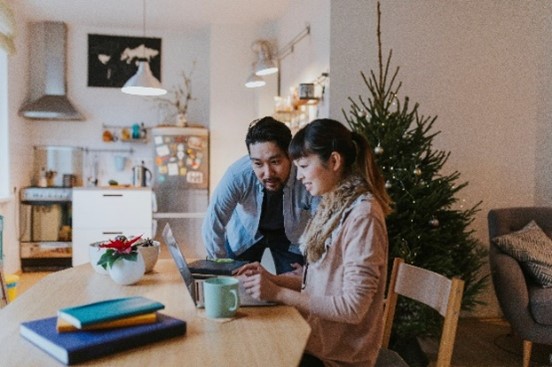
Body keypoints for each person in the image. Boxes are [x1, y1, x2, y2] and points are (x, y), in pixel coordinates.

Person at [237, 118, 392, 367]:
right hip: (318, 342)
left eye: (305, 166)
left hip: (337, 357)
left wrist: (278, 293)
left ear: (333, 161)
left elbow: (353, 308)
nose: (299, 177)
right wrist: (272, 279)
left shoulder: (363, 216)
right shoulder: (335, 207)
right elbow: (323, 283)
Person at [202, 116, 318, 274]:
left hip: (290, 235)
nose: (268, 173)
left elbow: (323, 224)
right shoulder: (237, 174)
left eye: (275, 162)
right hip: (245, 232)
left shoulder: (305, 174)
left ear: (290, 155)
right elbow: (213, 220)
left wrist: (313, 268)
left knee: (296, 283)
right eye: (258, 164)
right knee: (236, 284)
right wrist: (220, 270)